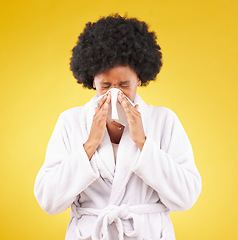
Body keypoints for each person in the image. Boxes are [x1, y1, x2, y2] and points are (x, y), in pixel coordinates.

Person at [34, 14, 202, 240]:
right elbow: (48, 200)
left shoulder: (164, 121)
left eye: (124, 85)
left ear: (140, 79)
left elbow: (186, 196)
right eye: (105, 86)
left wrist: (143, 143)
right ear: (92, 80)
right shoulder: (70, 122)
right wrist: (90, 145)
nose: (115, 94)